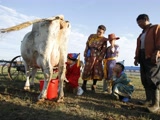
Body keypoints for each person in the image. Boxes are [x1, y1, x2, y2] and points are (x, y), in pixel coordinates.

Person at [134, 14, 160, 113]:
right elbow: (139, 47)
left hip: (152, 57)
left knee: (153, 79)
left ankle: (156, 104)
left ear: (145, 20)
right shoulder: (141, 34)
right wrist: (136, 58)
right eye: (138, 23)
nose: (139, 25)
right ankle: (148, 100)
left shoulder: (156, 28)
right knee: (145, 79)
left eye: (140, 22)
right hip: (142, 57)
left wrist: (157, 51)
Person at [82, 25, 107, 92]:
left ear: (103, 32)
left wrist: (100, 58)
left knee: (96, 71)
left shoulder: (104, 40)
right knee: (87, 69)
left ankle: (94, 85)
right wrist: (85, 54)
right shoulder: (91, 36)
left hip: (97, 56)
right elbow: (87, 45)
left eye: (100, 32)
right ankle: (84, 85)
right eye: (98, 31)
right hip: (89, 55)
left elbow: (104, 50)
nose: (98, 33)